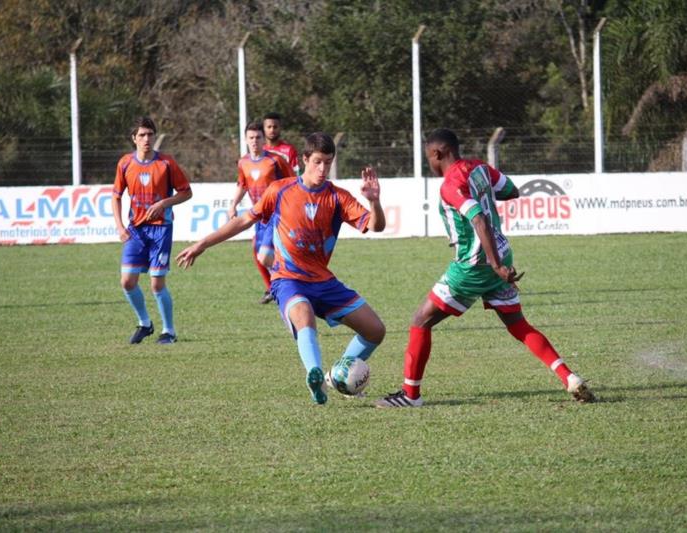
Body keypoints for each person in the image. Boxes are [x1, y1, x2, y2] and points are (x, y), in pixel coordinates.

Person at [375, 128, 595, 408]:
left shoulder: (450, 184)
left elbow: (478, 219)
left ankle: (410, 396)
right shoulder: (479, 167)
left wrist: (494, 264)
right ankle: (570, 378)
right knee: (518, 325)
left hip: (475, 265)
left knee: (420, 320)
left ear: (436, 153)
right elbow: (512, 191)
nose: (428, 163)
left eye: (427, 157)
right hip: (502, 252)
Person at [177, 133, 386, 405]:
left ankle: (336, 376)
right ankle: (313, 374)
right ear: (304, 161)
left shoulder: (337, 197)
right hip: (288, 279)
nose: (322, 169)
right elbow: (243, 221)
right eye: (317, 162)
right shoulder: (280, 190)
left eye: (328, 163)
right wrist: (202, 244)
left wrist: (374, 201)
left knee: (375, 331)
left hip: (324, 281)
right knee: (304, 314)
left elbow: (375, 226)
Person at [112, 116, 193, 344]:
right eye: (142, 135)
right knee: (127, 281)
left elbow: (186, 192)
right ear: (134, 139)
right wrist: (119, 226)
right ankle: (145, 323)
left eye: (150, 134)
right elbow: (116, 196)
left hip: (161, 230)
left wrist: (163, 203)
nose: (146, 139)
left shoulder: (166, 164)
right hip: (135, 231)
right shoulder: (125, 164)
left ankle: (169, 331)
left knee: (157, 283)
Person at [228, 121, 296, 304]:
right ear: (245, 139)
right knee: (258, 253)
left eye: (258, 137)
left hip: (277, 214)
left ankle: (288, 283)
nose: (254, 141)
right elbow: (243, 184)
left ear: (263, 139)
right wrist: (233, 204)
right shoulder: (243, 162)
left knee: (264, 255)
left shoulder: (275, 160)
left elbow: (293, 182)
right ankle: (274, 288)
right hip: (258, 216)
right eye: (251, 137)